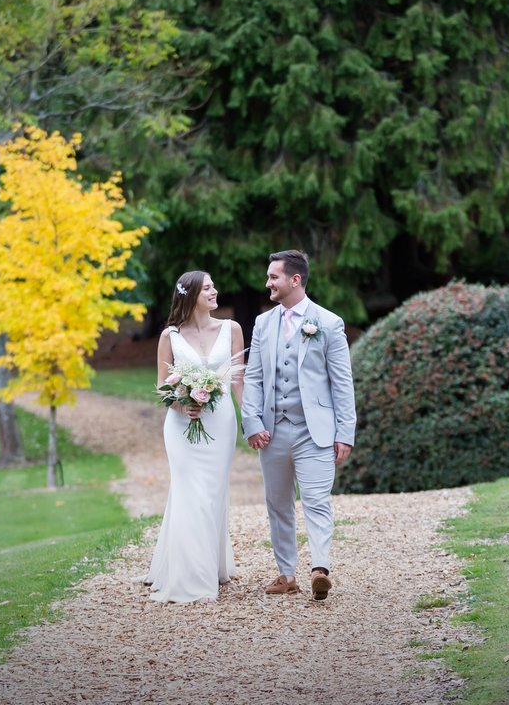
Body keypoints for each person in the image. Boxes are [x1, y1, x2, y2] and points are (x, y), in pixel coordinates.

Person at [242, 249, 356, 601]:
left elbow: (342, 382)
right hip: (272, 430)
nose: (268, 283)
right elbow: (254, 377)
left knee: (316, 501)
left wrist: (344, 433)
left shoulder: (329, 323)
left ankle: (320, 569)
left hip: (315, 431)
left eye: (273, 277)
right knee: (277, 504)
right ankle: (286, 575)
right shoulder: (263, 323)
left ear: (295, 280)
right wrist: (251, 421)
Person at [144, 270, 245, 603]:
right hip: (181, 426)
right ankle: (193, 578)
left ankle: (211, 564)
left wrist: (250, 419)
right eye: (207, 288)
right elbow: (162, 387)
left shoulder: (232, 329)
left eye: (214, 286)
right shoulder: (170, 336)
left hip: (221, 423)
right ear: (190, 296)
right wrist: (182, 404)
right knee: (190, 494)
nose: (215, 291)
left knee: (212, 493)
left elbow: (238, 382)